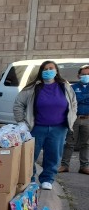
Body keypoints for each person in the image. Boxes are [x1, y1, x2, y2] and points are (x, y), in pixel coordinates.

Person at [13, 61, 78, 190]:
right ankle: (29, 179)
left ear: (56, 71)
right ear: (41, 71)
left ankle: (47, 179)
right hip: (36, 128)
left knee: (53, 155)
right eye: (45, 69)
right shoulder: (32, 88)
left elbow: (73, 103)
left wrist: (72, 118)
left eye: (51, 68)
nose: (48, 71)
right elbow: (18, 104)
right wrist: (21, 122)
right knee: (30, 155)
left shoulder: (64, 86)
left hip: (59, 128)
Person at [60, 64, 89, 174]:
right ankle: (64, 165)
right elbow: (72, 101)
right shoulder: (73, 87)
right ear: (78, 75)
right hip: (74, 118)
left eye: (88, 74)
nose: (86, 76)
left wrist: (80, 98)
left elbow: (78, 99)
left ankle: (84, 166)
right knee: (69, 142)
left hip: (87, 119)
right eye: (83, 74)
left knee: (85, 144)